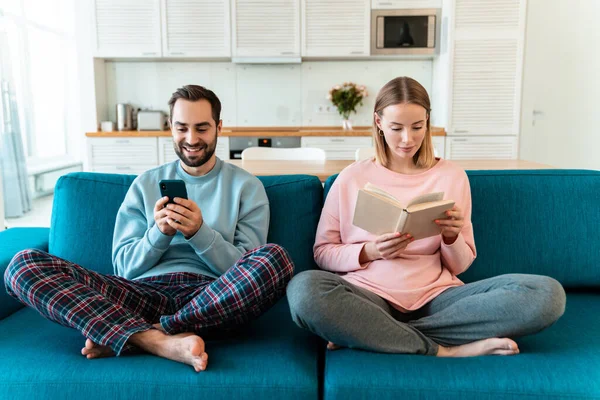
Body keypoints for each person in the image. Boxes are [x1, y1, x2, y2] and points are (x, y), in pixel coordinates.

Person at [4, 85, 293, 371]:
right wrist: (159, 234)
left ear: (219, 127)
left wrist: (198, 233)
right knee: (21, 266)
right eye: (182, 128)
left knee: (276, 259)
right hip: (139, 293)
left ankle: (138, 334)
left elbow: (244, 267)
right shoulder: (145, 184)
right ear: (170, 127)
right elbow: (125, 269)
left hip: (212, 295)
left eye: (202, 128)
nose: (191, 139)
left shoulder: (246, 187)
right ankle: (157, 340)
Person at [287, 77, 566, 357]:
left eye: (417, 127)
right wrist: (369, 251)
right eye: (396, 128)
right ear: (379, 122)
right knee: (304, 290)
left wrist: (451, 236)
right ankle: (444, 350)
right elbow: (323, 253)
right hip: (367, 296)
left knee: (546, 295)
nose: (407, 139)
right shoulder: (350, 178)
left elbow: (460, 266)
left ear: (428, 122)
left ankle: (372, 332)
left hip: (437, 297)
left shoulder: (452, 176)